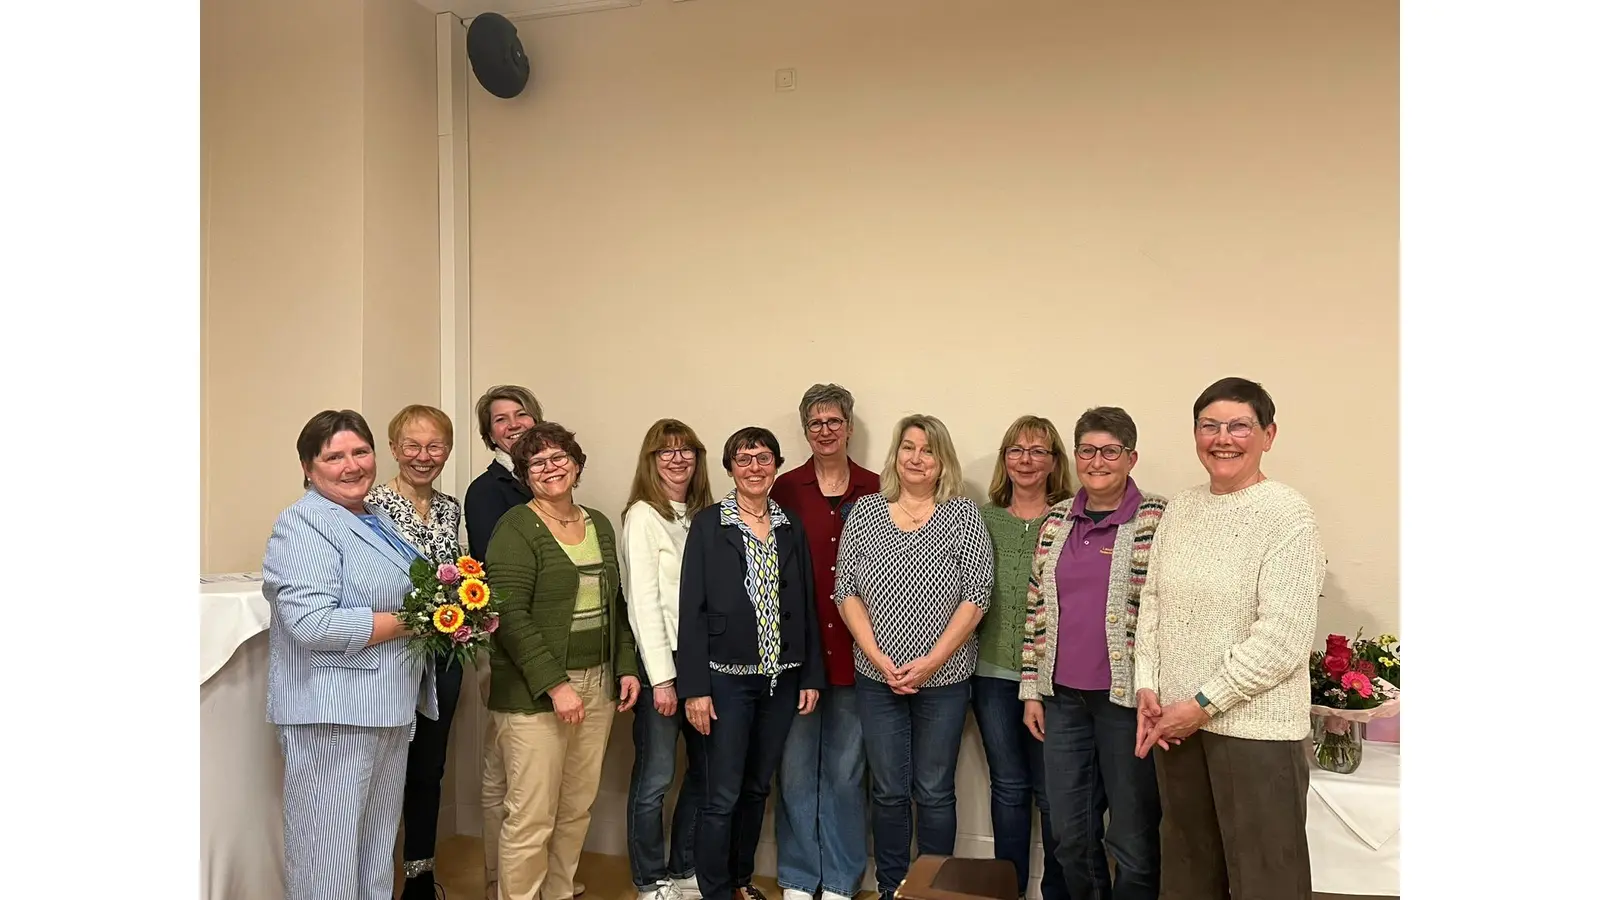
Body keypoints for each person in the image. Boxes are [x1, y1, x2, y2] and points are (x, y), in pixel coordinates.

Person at [1133, 378, 1326, 900]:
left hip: (1255, 732)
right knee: (1189, 874)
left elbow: (1282, 639)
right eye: (1209, 425)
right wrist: (1147, 688)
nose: (1223, 438)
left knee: (1266, 881)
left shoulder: (1287, 514)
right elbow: (1152, 603)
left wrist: (1202, 704)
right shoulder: (1181, 509)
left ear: (1268, 434)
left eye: (1239, 426)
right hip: (1176, 725)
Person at [261, 409, 438, 900]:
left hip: (385, 707)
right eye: (334, 456)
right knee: (328, 860)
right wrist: (416, 620)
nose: (352, 465)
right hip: (332, 713)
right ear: (308, 467)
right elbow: (312, 624)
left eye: (360, 452)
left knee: (375, 854)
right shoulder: (303, 523)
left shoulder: (376, 518)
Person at [833, 414, 994, 900]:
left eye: (927, 449)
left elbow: (977, 595)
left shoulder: (964, 515)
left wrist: (929, 662)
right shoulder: (865, 512)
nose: (917, 458)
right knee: (887, 790)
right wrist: (879, 658)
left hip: (943, 680)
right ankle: (891, 888)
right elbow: (846, 591)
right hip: (876, 676)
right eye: (908, 448)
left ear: (941, 459)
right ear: (896, 455)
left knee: (934, 791)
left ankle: (933, 890)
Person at [485, 422, 642, 900]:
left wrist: (625, 666)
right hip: (536, 692)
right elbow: (508, 613)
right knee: (530, 816)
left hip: (597, 684)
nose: (550, 468)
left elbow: (616, 604)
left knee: (576, 807)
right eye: (537, 463)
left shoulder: (598, 523)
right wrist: (556, 685)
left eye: (559, 458)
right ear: (525, 474)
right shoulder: (515, 527)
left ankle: (558, 891)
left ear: (576, 464)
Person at [1018, 407, 1167, 900]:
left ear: (1131, 458)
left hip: (1127, 706)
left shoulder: (1157, 520)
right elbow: (1036, 606)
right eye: (1087, 450)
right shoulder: (1057, 519)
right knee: (1069, 833)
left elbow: (1169, 612)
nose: (1097, 461)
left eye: (1110, 451)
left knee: (1133, 836)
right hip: (1062, 701)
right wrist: (1032, 689)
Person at [678, 427, 824, 900]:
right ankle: (715, 891)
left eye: (763, 458)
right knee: (721, 795)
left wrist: (810, 673)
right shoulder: (708, 524)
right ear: (729, 469)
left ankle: (740, 880)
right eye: (744, 459)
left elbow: (806, 602)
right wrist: (695, 688)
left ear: (777, 465)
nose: (754, 467)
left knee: (757, 787)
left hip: (781, 682)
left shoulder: (789, 524)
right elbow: (691, 609)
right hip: (725, 683)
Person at [771, 384, 879, 900]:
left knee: (844, 774)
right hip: (796, 659)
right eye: (815, 423)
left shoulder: (880, 490)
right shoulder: (783, 490)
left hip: (863, 656)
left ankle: (839, 878)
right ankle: (796, 874)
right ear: (805, 431)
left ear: (849, 427)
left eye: (834, 421)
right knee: (793, 773)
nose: (825, 430)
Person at [365, 404, 467, 900]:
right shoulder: (369, 505)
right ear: (393, 448)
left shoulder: (451, 507)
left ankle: (420, 876)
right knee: (385, 767)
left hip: (444, 653)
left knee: (429, 767)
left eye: (435, 446)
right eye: (412, 446)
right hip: (390, 653)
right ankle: (371, 879)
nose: (424, 456)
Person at [461, 384, 559, 900]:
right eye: (501, 419)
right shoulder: (488, 490)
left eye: (522, 414)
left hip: (544, 638)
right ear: (489, 433)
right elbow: (499, 579)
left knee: (527, 776)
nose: (513, 424)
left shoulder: (545, 478)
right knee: (503, 769)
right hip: (502, 641)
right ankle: (503, 880)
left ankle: (526, 879)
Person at [974, 415, 1072, 900]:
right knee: (1008, 787)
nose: (1026, 460)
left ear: (1054, 462)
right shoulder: (982, 519)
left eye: (1038, 451)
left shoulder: (1072, 518)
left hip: (1054, 678)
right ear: (1004, 459)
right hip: (991, 674)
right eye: (1016, 450)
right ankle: (1005, 889)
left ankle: (1057, 890)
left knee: (1054, 794)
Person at [622, 419, 716, 900]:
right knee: (656, 778)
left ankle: (684, 868)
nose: (677, 459)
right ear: (650, 460)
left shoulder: (705, 515)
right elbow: (643, 603)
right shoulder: (642, 516)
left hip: (705, 664)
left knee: (703, 773)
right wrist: (662, 679)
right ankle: (650, 879)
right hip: (664, 662)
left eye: (686, 451)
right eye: (666, 451)